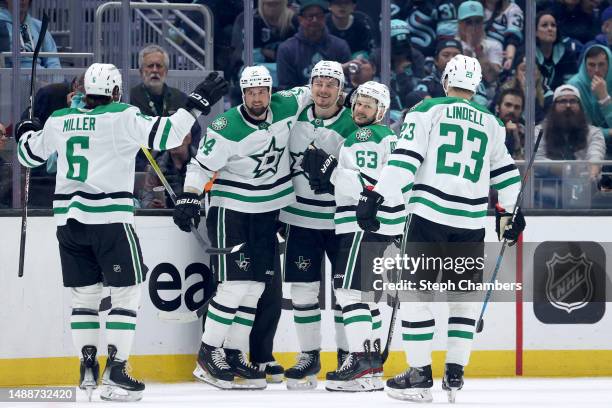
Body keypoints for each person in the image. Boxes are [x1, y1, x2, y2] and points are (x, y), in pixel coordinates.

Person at [15, 63, 227, 401]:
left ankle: (87, 367)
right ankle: (117, 370)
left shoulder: (60, 119)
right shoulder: (124, 115)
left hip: (68, 223)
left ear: (84, 90)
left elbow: (27, 154)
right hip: (110, 220)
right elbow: (170, 134)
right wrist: (196, 103)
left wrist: (26, 128)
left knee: (83, 298)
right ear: (115, 91)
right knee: (126, 295)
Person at [355, 55, 525, 403]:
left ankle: (419, 375)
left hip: (428, 217)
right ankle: (455, 372)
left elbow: (406, 159)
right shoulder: (492, 122)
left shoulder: (427, 109)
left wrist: (375, 196)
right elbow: (508, 177)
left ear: (446, 79)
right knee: (463, 301)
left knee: (417, 299)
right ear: (476, 85)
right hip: (470, 224)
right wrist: (508, 214)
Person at [172, 65, 312, 390]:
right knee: (234, 285)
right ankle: (208, 354)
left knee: (256, 287)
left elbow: (314, 91)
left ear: (270, 90)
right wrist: (190, 197)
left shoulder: (287, 104)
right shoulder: (225, 127)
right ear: (243, 94)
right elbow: (200, 166)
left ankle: (234, 354)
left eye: (263, 91)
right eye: (252, 92)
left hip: (266, 212)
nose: (258, 97)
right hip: (231, 211)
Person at [302, 81, 405, 392]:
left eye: (368, 105)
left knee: (349, 294)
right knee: (365, 298)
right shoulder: (390, 137)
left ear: (381, 111)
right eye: (358, 103)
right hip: (385, 226)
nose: (360, 109)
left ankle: (359, 361)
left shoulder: (364, 136)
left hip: (363, 226)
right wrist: (332, 179)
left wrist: (330, 171)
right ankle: (371, 366)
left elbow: (365, 185)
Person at [279, 60, 358, 390]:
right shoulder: (295, 116)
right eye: (318, 83)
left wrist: (336, 179)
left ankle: (347, 355)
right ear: (310, 86)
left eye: (331, 84)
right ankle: (309, 355)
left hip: (341, 221)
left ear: (341, 91)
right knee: (303, 291)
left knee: (346, 293)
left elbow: (365, 173)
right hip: (300, 218)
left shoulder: (353, 124)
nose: (323, 90)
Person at [130, 44, 201, 171]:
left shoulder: (181, 99)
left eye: (159, 66)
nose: (155, 70)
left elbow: (194, 134)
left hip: (176, 171)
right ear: (141, 71)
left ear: (166, 71)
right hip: (139, 171)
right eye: (150, 66)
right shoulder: (129, 100)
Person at [534, 84, 605, 207]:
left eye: (573, 101)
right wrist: (569, 169)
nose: (568, 105)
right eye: (563, 101)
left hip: (586, 187)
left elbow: (596, 156)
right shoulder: (539, 131)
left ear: (580, 106)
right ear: (554, 106)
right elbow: (536, 161)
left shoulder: (594, 133)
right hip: (549, 188)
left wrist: (592, 171)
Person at [276, 0, 352, 89]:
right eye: (310, 16)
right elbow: (285, 89)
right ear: (300, 19)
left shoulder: (340, 46)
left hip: (334, 100)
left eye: (319, 16)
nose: (315, 20)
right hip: (299, 101)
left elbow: (347, 84)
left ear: (324, 18)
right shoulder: (286, 49)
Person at [568, 44, 612, 152]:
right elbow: (579, 131)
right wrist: (609, 132)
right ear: (584, 65)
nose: (597, 70)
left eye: (601, 64)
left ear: (609, 65)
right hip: (584, 148)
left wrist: (604, 97)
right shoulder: (574, 86)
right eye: (591, 65)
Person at [456, 1, 503, 96]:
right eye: (468, 22)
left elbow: (490, 77)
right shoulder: (452, 46)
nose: (473, 26)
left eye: (477, 21)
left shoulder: (494, 45)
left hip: (488, 96)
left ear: (483, 23)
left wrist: (478, 50)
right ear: (460, 24)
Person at [140, 133, 195, 208]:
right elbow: (146, 200)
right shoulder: (156, 167)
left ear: (188, 138)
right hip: (166, 217)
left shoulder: (203, 164)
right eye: (168, 138)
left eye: (176, 137)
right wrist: (152, 206)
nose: (172, 142)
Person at [0, 0, 60, 68]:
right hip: (9, 76)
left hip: (41, 77)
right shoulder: (1, 24)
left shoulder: (39, 26)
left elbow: (53, 61)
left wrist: (54, 78)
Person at [535, 11, 579, 91]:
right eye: (544, 25)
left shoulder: (568, 55)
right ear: (535, 32)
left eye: (553, 25)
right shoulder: (526, 54)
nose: (550, 29)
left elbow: (571, 87)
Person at [481, 0, 524, 71]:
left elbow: (513, 39)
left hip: (497, 54)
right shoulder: (475, 6)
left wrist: (509, 58)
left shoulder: (513, 9)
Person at [495, 87, 525, 159]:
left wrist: (517, 141)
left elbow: (525, 168)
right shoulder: (487, 128)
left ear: (521, 112)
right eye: (508, 105)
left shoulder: (525, 133)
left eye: (517, 107)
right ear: (497, 108)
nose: (512, 110)